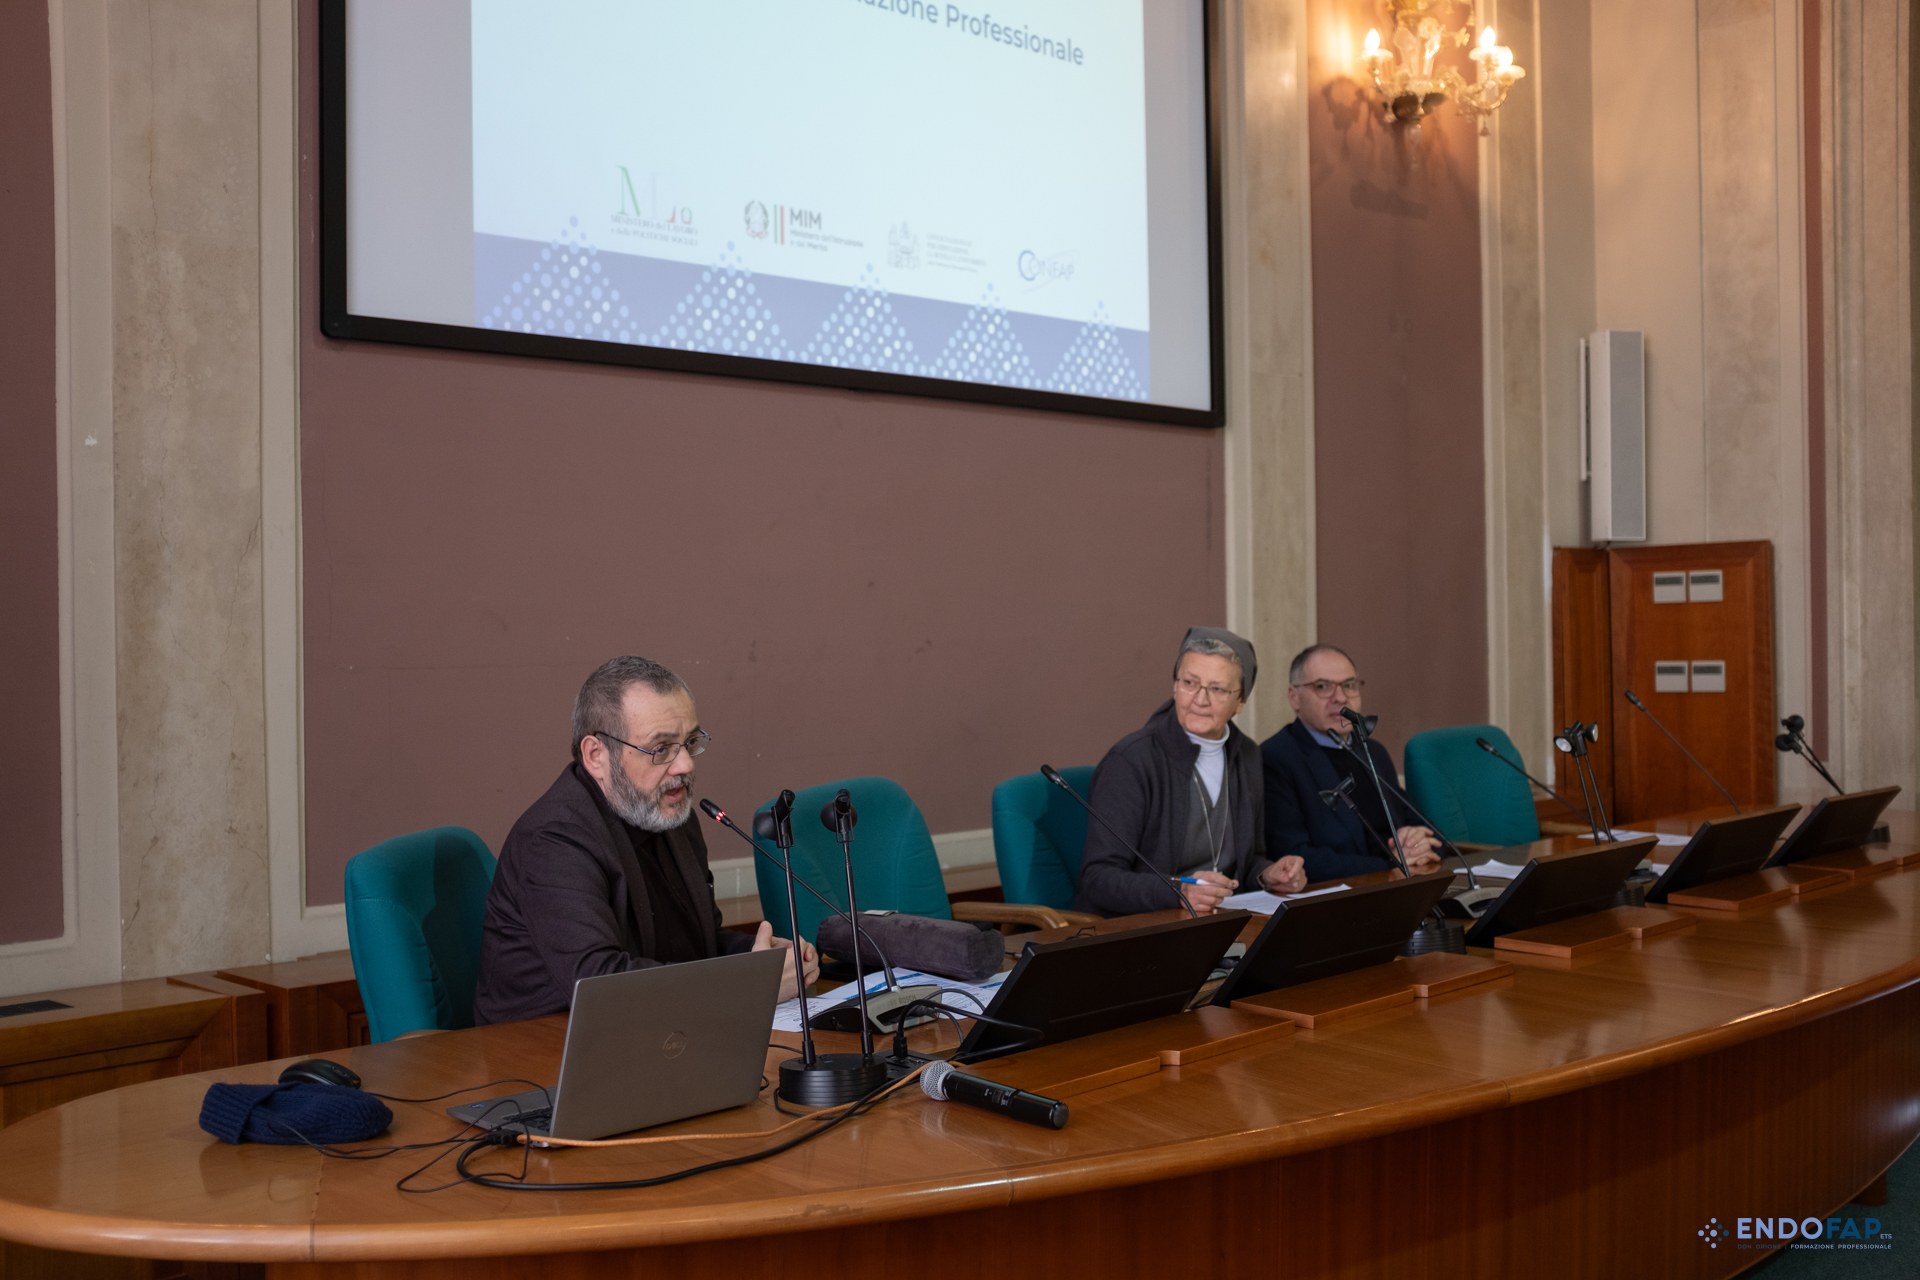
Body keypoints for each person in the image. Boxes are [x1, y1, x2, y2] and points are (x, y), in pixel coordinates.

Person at [474, 656, 819, 1025]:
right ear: (596, 756)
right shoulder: (553, 841)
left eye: (690, 742)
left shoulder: (669, 811)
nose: (685, 765)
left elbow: (701, 947)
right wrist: (752, 983)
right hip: (540, 1041)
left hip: (650, 1031)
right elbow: (600, 985)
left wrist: (764, 958)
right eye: (661, 749)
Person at [1074, 628, 1307, 917]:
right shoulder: (1130, 760)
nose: (1200, 699)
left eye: (1218, 689)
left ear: (1241, 701)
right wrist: (1178, 892)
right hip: (1146, 923)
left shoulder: (1248, 755)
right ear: (1175, 686)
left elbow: (1247, 861)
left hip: (1221, 917)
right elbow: (1098, 878)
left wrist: (1268, 874)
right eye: (1189, 683)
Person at [1259, 644, 1443, 884]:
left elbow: (1432, 835)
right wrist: (1392, 863)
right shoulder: (1276, 757)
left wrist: (1417, 842)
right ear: (1294, 697)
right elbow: (1295, 857)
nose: (1340, 697)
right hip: (1342, 895)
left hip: (1402, 885)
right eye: (1323, 686)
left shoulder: (1372, 751)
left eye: (1349, 685)